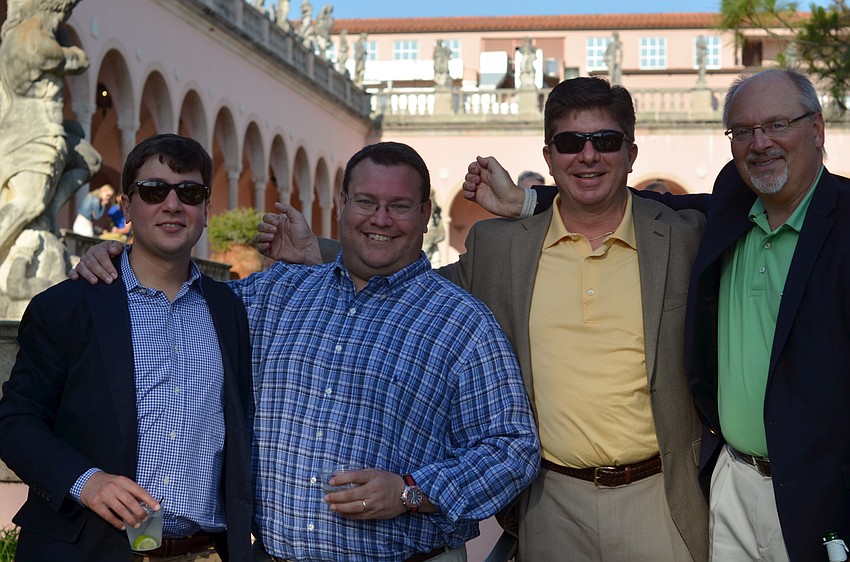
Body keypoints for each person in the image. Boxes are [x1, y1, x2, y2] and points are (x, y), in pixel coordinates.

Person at [72, 141, 541, 562]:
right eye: (365, 202)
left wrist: (411, 491)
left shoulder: (462, 322)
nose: (380, 219)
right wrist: (119, 259)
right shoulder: (276, 293)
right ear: (341, 205)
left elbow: (513, 448)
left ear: (424, 216)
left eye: (399, 205)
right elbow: (181, 305)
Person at [468, 68, 850, 562]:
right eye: (745, 131)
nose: (761, 143)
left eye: (778, 125)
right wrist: (530, 200)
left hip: (806, 497)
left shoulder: (705, 233)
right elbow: (624, 197)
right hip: (718, 485)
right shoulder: (729, 214)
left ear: (817, 129)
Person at [456, 77, 709, 561]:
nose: (588, 156)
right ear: (549, 156)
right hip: (551, 505)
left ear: (632, 153)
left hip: (660, 498)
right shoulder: (500, 248)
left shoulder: (684, 237)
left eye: (606, 141)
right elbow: (410, 283)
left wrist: (530, 199)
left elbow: (748, 199)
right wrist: (317, 254)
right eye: (571, 142)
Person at [0, 133, 253, 561]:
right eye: (154, 191)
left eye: (189, 192)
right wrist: (86, 481)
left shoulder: (232, 309)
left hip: (203, 553)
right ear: (128, 205)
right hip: (88, 551)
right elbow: (15, 422)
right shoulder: (69, 306)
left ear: (206, 209)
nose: (172, 205)